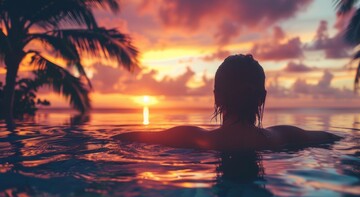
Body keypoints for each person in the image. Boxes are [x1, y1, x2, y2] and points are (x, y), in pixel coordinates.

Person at [114, 54, 340, 150]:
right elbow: (332, 138)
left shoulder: (194, 138)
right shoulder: (285, 137)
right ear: (262, 97)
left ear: (216, 96)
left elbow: (127, 138)